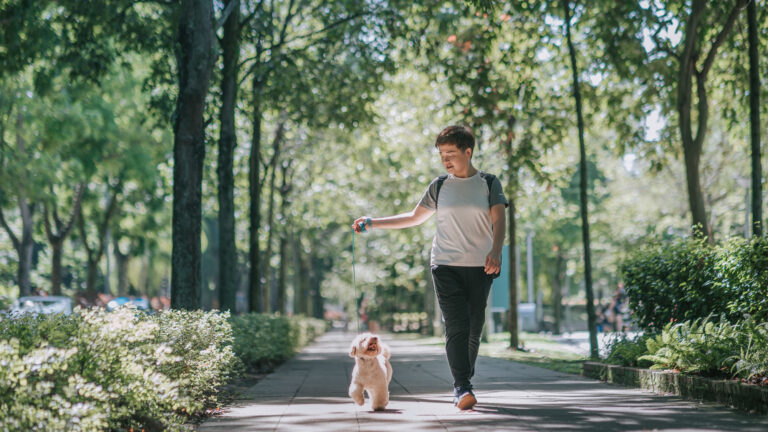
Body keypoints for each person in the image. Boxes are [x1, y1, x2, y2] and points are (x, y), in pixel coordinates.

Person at [353, 125, 508, 410]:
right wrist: (374, 222)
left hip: (480, 265)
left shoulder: (489, 183)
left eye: (451, 153)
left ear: (468, 152)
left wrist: (496, 251)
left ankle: (464, 378)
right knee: (457, 325)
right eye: (441, 154)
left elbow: (499, 220)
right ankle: (462, 387)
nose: (446, 159)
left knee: (475, 326)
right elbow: (414, 217)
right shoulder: (439, 186)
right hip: (445, 264)